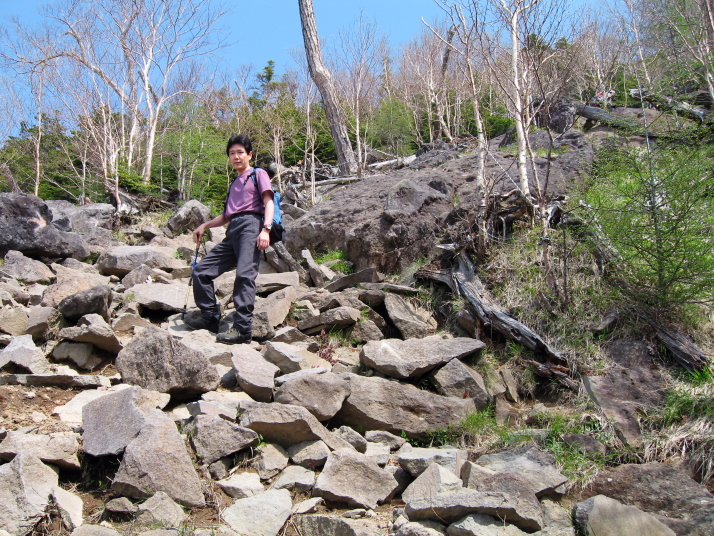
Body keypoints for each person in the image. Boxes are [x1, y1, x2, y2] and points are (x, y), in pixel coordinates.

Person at [186, 134, 274, 344]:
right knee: (201, 271)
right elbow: (227, 216)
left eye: (240, 152)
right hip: (233, 230)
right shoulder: (234, 183)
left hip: (251, 226)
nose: (236, 157)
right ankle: (211, 318)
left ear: (249, 155)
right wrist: (205, 225)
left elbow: (268, 202)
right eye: (232, 153)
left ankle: (243, 330)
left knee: (244, 275)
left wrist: (266, 230)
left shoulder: (258, 174)